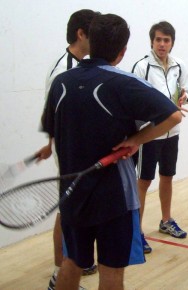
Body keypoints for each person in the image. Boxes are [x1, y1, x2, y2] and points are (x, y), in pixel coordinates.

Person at [41, 13, 182, 290]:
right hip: (114, 198)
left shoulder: (61, 82)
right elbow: (174, 115)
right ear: (122, 51)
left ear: (90, 41)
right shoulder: (124, 82)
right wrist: (138, 139)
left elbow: (53, 130)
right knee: (111, 273)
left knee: (70, 264)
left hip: (73, 193)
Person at [37, 9, 98, 290]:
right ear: (81, 34)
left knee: (75, 208)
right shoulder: (64, 68)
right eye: (93, 31)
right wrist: (53, 143)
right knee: (69, 209)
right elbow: (52, 110)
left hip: (77, 147)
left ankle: (72, 263)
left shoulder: (80, 64)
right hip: (70, 150)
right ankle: (58, 273)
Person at [131, 21, 188, 253]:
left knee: (167, 177)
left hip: (172, 132)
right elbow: (134, 101)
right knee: (144, 182)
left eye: (166, 40)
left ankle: (166, 221)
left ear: (172, 42)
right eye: (158, 40)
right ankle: (136, 231)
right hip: (150, 134)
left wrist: (184, 99)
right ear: (152, 41)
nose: (162, 44)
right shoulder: (141, 67)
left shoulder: (179, 66)